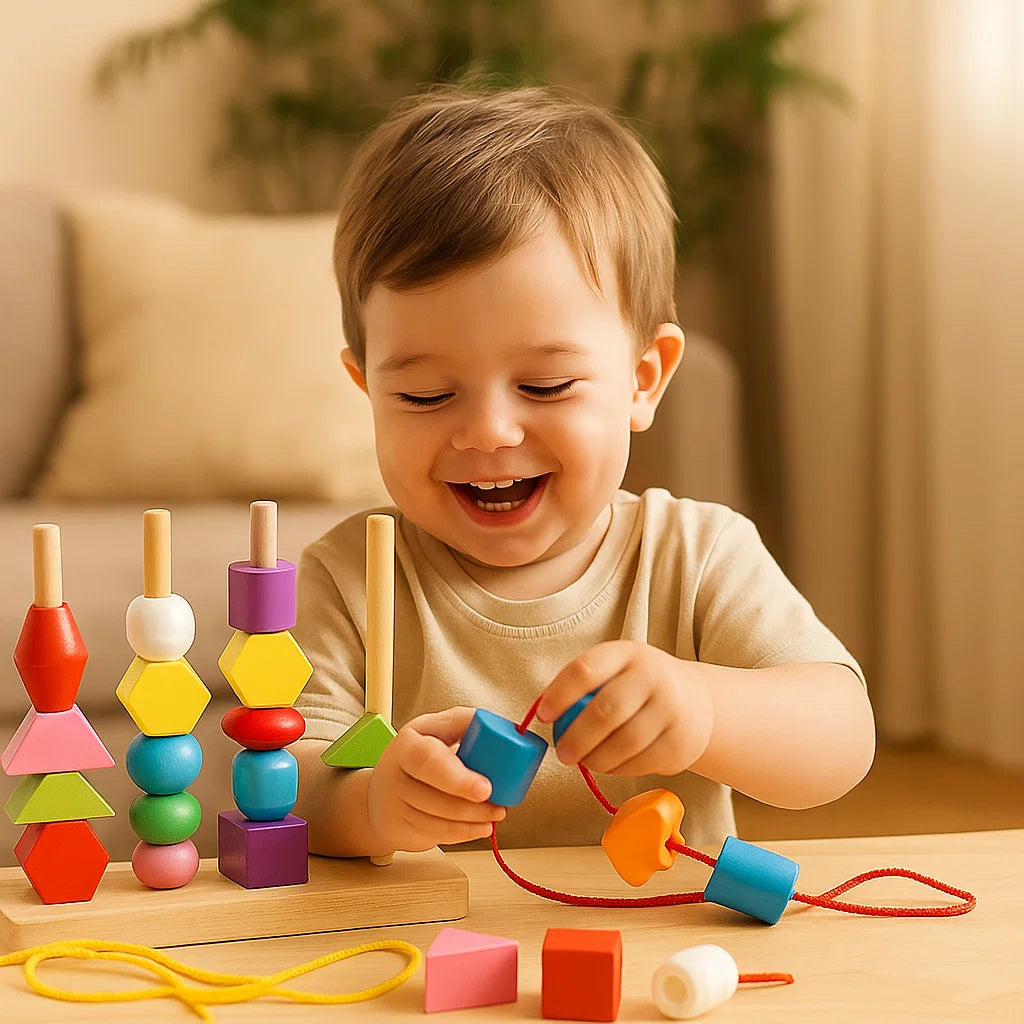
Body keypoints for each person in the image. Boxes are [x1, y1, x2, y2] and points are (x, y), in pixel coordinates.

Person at [291, 85, 875, 860]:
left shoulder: (695, 555)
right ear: (367, 389)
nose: (490, 432)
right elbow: (284, 784)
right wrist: (370, 806)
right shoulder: (348, 579)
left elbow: (841, 738)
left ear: (642, 380)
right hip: (430, 961)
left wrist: (704, 709)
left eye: (545, 386)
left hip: (654, 954)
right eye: (425, 394)